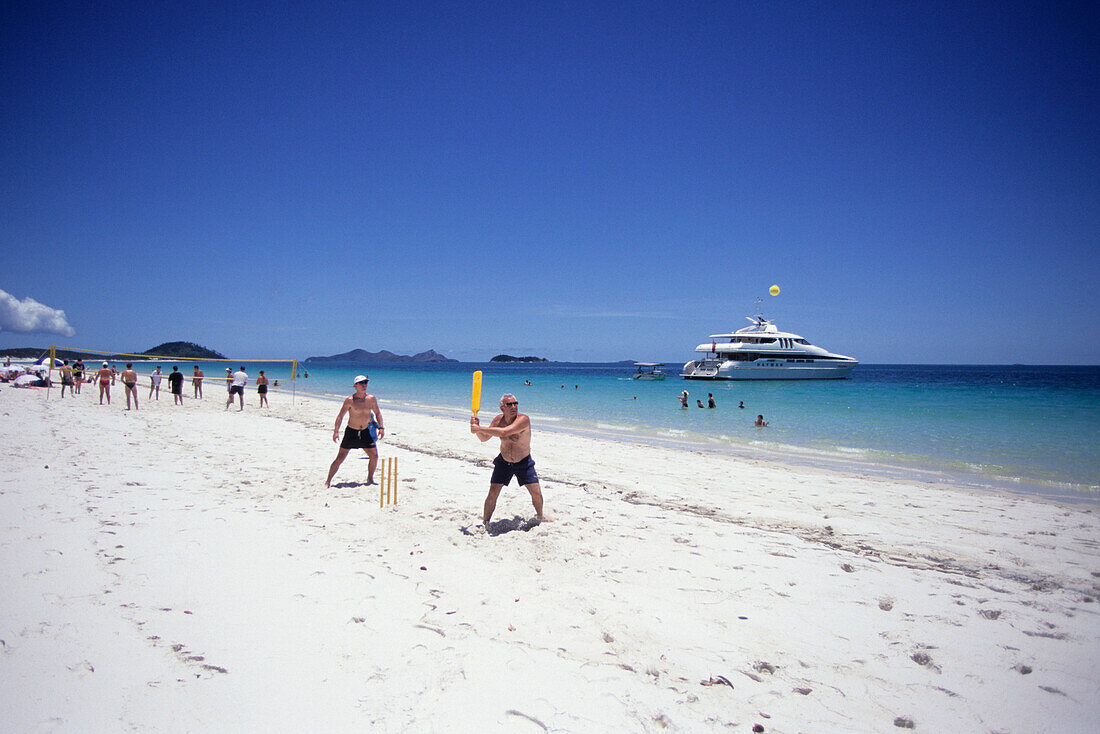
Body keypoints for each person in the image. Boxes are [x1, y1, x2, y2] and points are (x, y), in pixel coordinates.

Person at [470, 393, 546, 527]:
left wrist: (479, 428)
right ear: (502, 408)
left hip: (523, 462)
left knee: (536, 493)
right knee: (493, 492)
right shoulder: (498, 420)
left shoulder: (523, 419)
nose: (513, 406)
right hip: (504, 462)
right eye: (509, 404)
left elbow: (504, 432)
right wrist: (476, 428)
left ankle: (540, 516)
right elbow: (484, 438)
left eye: (515, 403)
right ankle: (485, 522)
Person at [325, 375, 385, 487]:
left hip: (365, 432)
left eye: (365, 383)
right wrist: (336, 431)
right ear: (355, 385)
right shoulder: (349, 400)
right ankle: (328, 481)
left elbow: (378, 413)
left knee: (374, 456)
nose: (364, 385)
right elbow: (340, 416)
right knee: (340, 458)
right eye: (361, 383)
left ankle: (370, 478)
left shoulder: (371, 399)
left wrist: (381, 428)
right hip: (351, 432)